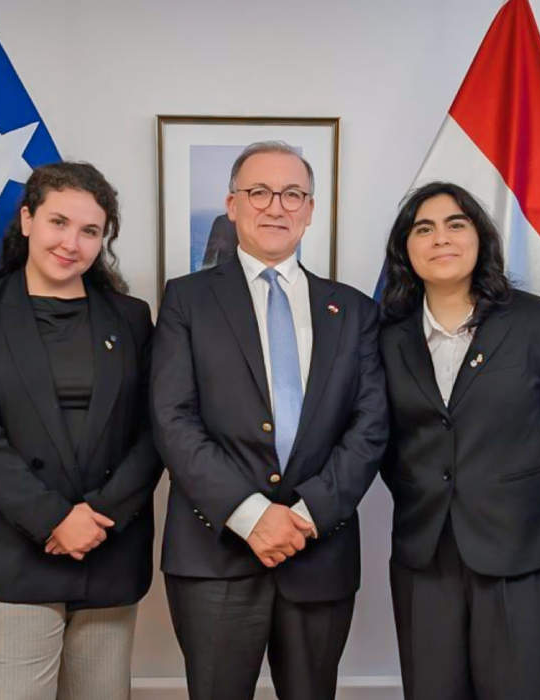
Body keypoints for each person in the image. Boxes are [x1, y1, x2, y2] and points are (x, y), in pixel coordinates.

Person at [152, 140, 388, 700]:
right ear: (232, 205)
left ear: (309, 210)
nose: (275, 206)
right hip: (216, 554)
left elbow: (370, 423)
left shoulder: (353, 310)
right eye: (258, 192)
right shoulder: (187, 300)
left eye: (291, 194)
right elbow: (172, 417)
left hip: (319, 549)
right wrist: (253, 515)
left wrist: (306, 515)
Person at [0, 161, 161, 699]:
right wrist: (55, 519)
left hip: (108, 550)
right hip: (13, 555)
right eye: (58, 222)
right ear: (27, 220)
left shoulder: (131, 317)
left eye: (90, 231)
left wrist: (96, 518)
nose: (72, 242)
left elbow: (156, 431)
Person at [378, 182, 540, 700]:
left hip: (522, 554)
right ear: (406, 248)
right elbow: (382, 441)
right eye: (424, 228)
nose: (440, 239)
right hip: (424, 555)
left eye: (455, 224)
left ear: (481, 238)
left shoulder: (538, 323)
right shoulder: (386, 334)